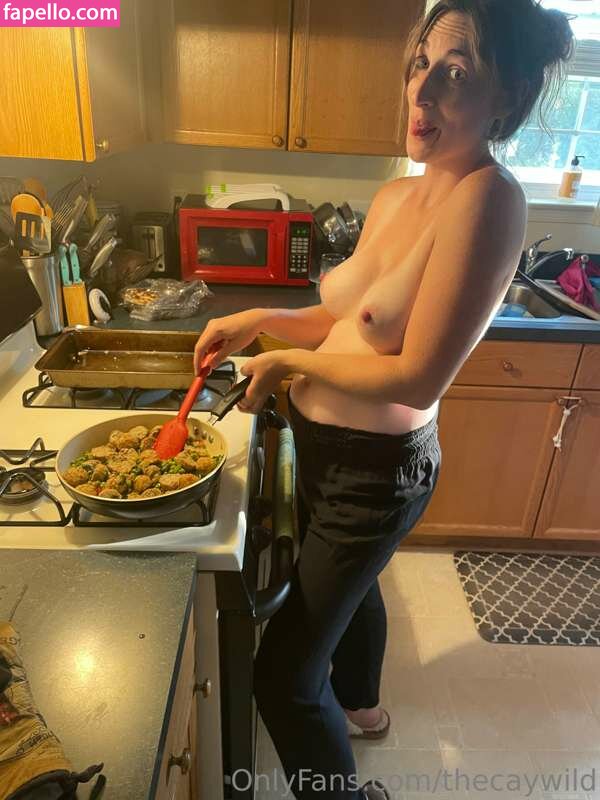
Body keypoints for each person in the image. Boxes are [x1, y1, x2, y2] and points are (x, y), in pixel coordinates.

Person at [194, 2, 574, 796]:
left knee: (285, 680)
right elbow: (347, 321)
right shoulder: (401, 193)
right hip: (321, 446)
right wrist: (261, 320)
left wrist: (288, 362)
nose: (421, 91)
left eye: (455, 73)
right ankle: (364, 707)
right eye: (420, 64)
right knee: (354, 584)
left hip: (375, 474)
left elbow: (418, 376)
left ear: (505, 96)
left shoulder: (489, 201)